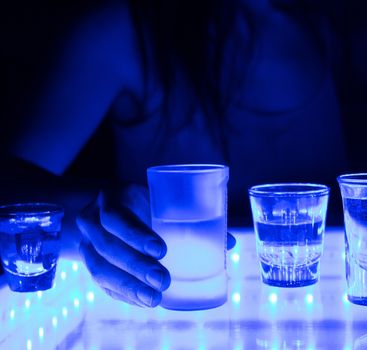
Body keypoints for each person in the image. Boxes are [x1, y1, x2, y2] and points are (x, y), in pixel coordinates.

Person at [3, 1, 348, 307]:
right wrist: (91, 217)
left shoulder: (320, 21)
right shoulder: (123, 32)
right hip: (175, 319)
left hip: (325, 315)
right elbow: (8, 184)